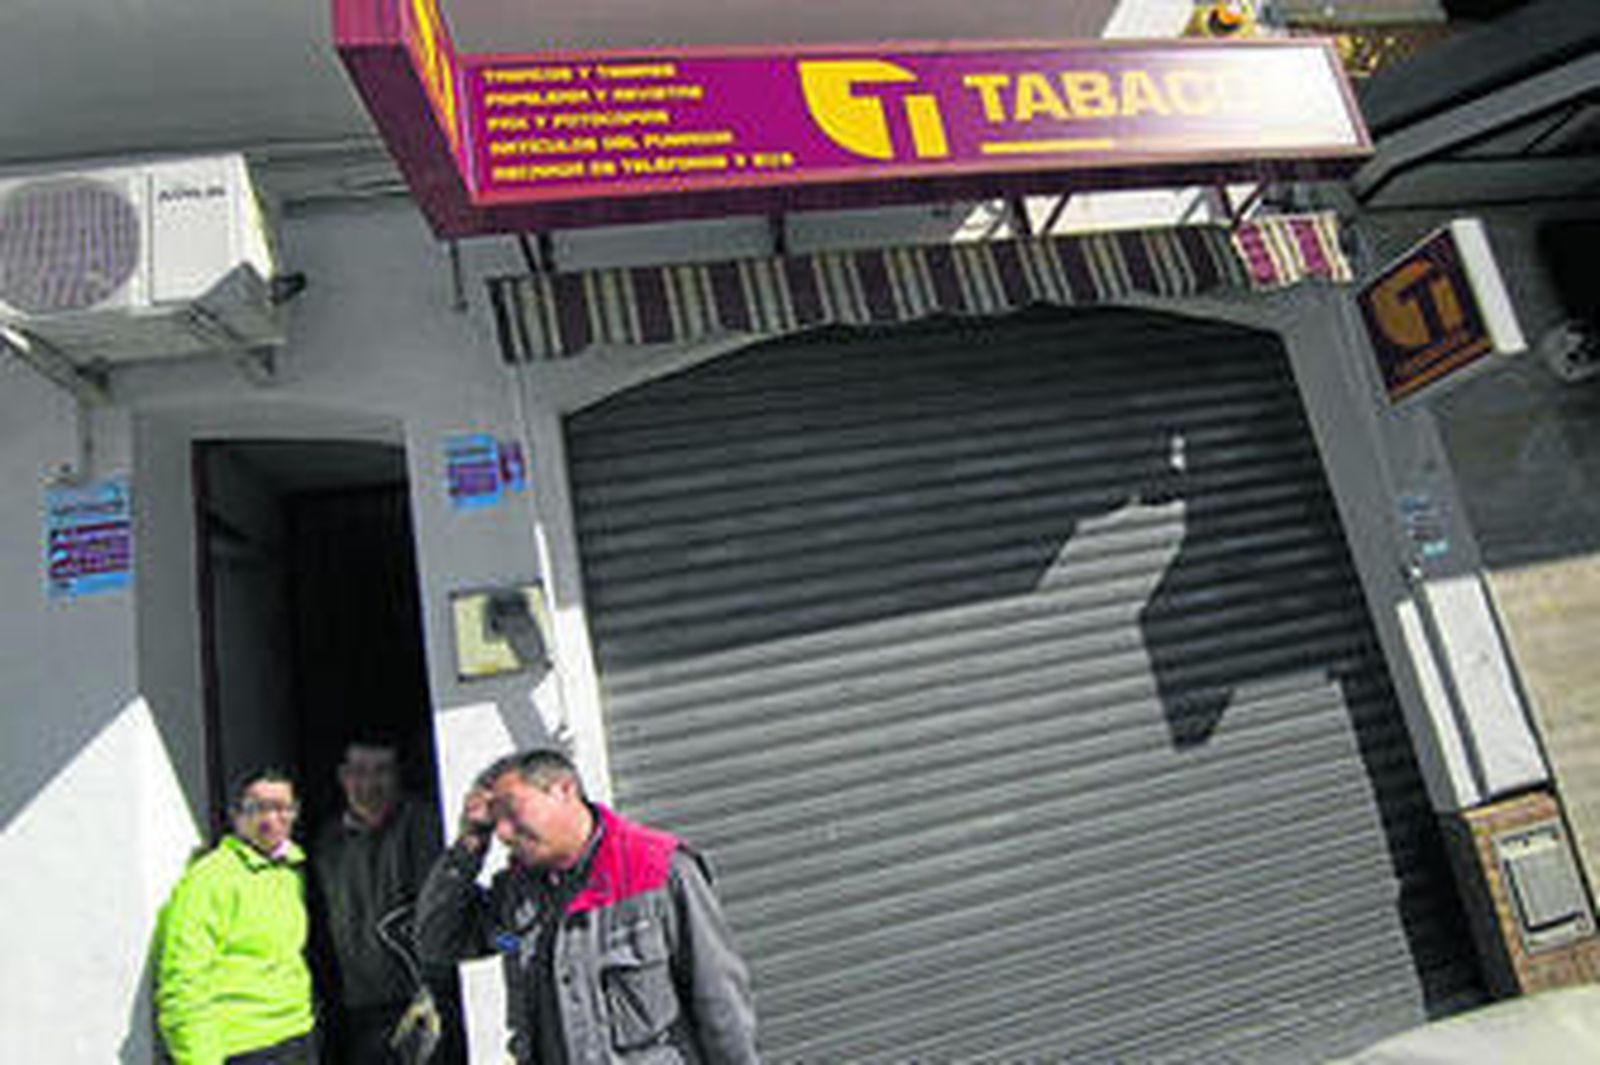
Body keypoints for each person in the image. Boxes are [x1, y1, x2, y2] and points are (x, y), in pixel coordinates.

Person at [417, 747, 760, 1064]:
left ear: (563, 790)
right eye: (495, 820)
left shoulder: (657, 869)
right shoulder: (515, 894)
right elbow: (437, 941)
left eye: (511, 811)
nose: (503, 832)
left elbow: (721, 1003)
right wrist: (469, 842)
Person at [311, 736, 464, 1064]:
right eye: (359, 771)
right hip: (359, 1008)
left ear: (397, 776)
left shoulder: (423, 825)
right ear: (343, 776)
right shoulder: (327, 843)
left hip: (421, 1003)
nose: (370, 783)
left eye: (381, 771)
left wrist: (433, 989)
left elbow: (439, 912)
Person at [155, 770, 316, 1065]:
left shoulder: (293, 869)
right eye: (258, 809)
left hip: (298, 1036)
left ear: (295, 813)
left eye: (282, 808)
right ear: (236, 815)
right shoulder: (209, 880)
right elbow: (182, 981)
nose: (271, 820)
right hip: (244, 1047)